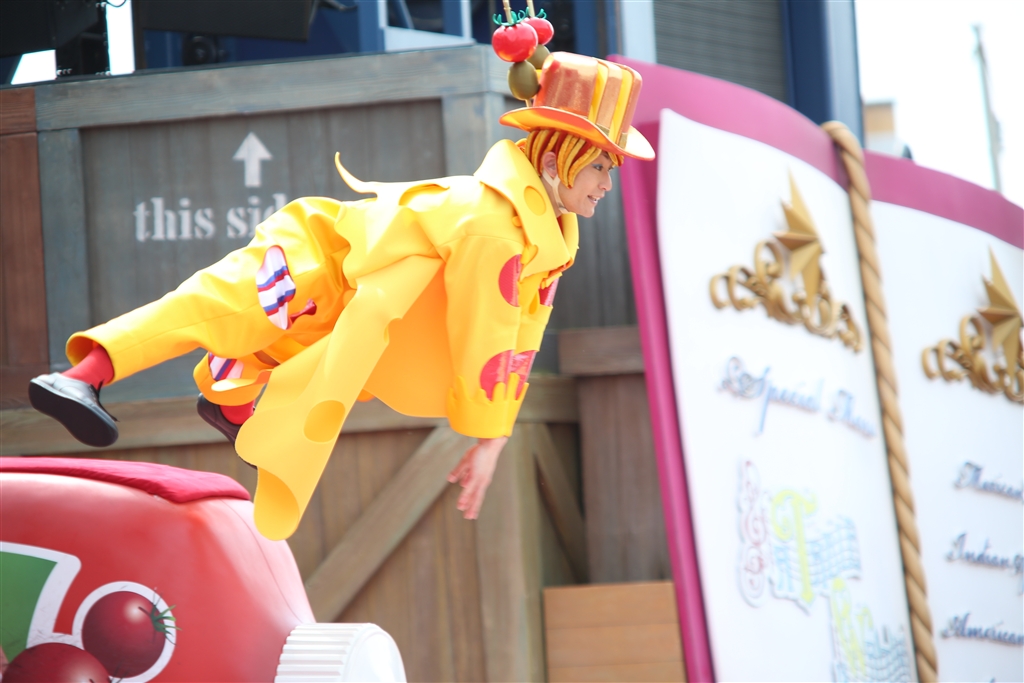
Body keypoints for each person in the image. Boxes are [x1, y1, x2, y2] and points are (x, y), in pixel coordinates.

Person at [28, 52, 654, 540]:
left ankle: (228, 402)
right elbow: (486, 332)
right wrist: (489, 440)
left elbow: (520, 336)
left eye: (611, 169)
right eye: (600, 165)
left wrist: (493, 434)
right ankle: (82, 377)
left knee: (288, 361)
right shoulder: (496, 225)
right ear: (557, 161)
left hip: (354, 305)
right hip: (319, 264)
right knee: (209, 311)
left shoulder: (547, 234)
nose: (607, 183)